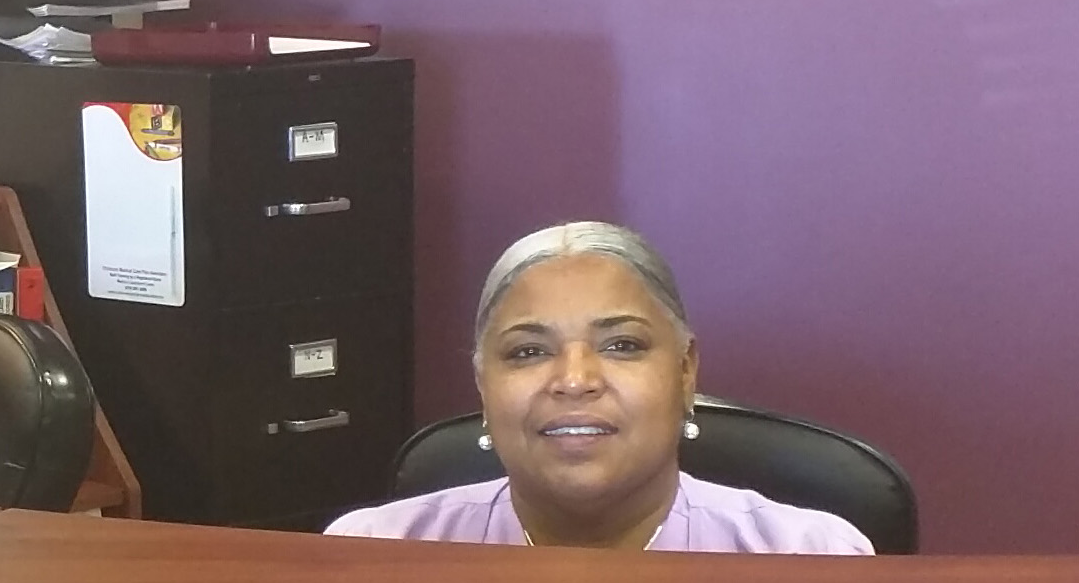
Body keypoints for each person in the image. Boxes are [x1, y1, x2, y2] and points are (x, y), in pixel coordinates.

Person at [325, 220, 873, 553]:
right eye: (528, 352)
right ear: (482, 387)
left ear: (686, 371)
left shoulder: (812, 558)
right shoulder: (371, 554)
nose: (574, 380)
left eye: (621, 345)